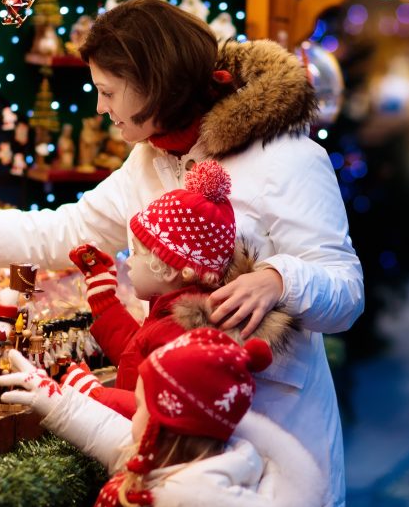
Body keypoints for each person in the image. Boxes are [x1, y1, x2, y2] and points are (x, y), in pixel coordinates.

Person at [0, 0, 364, 507]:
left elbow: (346, 291)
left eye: (109, 91)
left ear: (155, 83)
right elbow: (67, 231)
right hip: (171, 439)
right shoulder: (147, 160)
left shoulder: (290, 159)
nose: (101, 109)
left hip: (269, 442)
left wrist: (280, 278)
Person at [0, 329, 324, 507]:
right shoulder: (197, 470)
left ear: (164, 429)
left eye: (140, 407)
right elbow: (111, 434)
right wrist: (58, 401)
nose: (133, 414)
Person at [64, 159, 297, 419]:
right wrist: (105, 300)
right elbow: (137, 356)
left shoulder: (180, 334)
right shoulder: (171, 315)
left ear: (169, 267)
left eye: (137, 253)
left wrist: (94, 396)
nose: (128, 261)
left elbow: (155, 410)